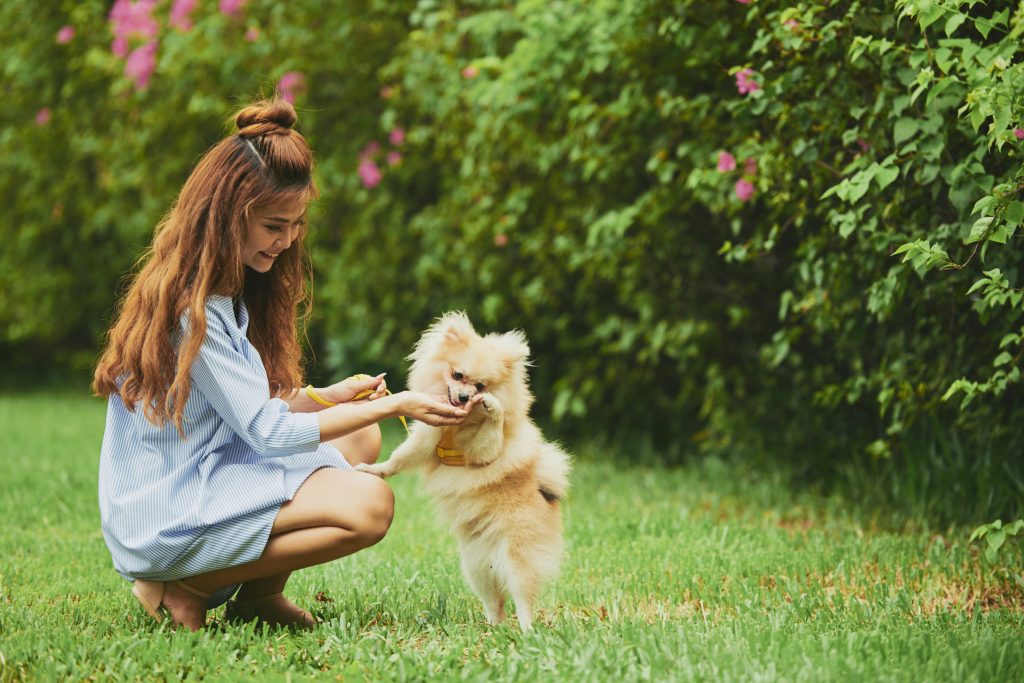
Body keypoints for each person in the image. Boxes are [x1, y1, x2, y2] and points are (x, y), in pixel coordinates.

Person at [92, 98, 470, 631]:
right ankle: (186, 588)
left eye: (295, 224)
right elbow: (267, 433)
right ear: (229, 215)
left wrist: (333, 396)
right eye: (274, 224)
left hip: (205, 472)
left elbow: (246, 407)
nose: (287, 239)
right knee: (369, 504)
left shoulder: (224, 294)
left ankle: (257, 598)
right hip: (167, 514)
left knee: (358, 442)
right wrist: (399, 405)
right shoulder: (192, 312)